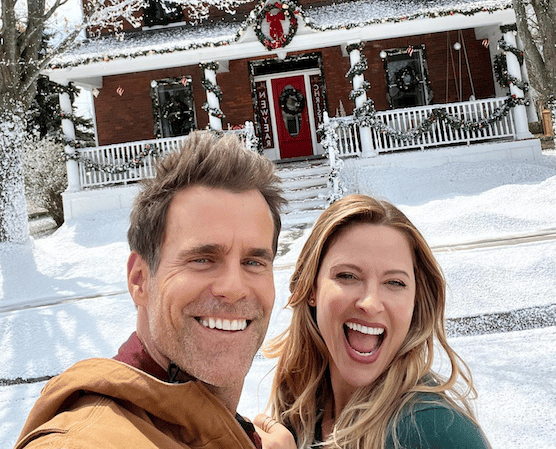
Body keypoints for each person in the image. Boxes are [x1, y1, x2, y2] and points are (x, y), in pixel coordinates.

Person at [14, 130, 292, 449]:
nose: (234, 287)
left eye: (253, 262)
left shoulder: (213, 428)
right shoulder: (85, 442)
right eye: (202, 259)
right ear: (140, 281)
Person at [261, 194, 492, 449]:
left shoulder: (436, 431)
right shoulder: (304, 408)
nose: (370, 303)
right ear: (312, 288)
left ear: (415, 300)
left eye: (394, 282)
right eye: (348, 276)